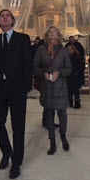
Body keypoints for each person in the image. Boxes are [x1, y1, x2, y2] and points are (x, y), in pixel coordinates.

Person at [0, 9, 32, 179]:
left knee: (18, 127)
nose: (4, 17)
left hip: (17, 88)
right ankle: (7, 152)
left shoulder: (23, 39)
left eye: (7, 15)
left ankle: (16, 163)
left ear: (13, 21)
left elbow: (28, 62)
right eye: (1, 16)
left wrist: (27, 85)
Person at [34, 26, 71, 156]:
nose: (52, 33)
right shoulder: (41, 50)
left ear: (58, 34)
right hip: (46, 88)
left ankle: (63, 136)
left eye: (54, 31)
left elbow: (69, 69)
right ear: (47, 35)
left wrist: (58, 72)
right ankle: (52, 142)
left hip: (60, 87)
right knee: (49, 115)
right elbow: (35, 67)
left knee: (62, 114)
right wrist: (43, 73)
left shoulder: (63, 51)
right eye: (50, 31)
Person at [67, 44, 82, 108]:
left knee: (76, 90)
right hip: (68, 75)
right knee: (69, 90)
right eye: (68, 49)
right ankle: (70, 102)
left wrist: (78, 72)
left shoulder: (77, 56)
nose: (69, 51)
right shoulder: (66, 57)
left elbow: (81, 65)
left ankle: (77, 103)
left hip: (75, 75)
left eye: (71, 49)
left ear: (73, 49)